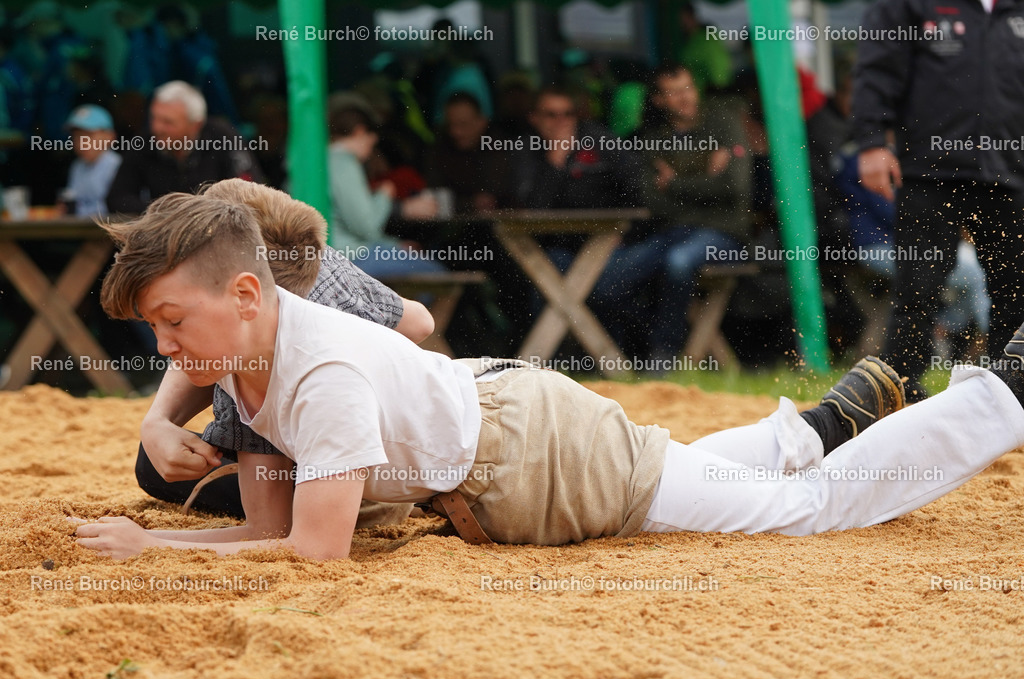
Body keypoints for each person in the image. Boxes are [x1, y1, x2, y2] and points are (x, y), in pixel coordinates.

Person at [73, 191, 1024, 559]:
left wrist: (152, 547)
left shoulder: (317, 373)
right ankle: (803, 431)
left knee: (804, 512)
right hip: (515, 430)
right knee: (675, 470)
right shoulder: (247, 358)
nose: (164, 348)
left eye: (171, 321)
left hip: (537, 457)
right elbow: (263, 530)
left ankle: (999, 396)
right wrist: (168, 534)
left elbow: (313, 554)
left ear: (247, 294)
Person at [127, 179, 433, 526]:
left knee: (155, 465)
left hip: (344, 486)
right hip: (388, 458)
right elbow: (420, 322)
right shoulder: (321, 261)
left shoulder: (257, 328)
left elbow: (270, 531)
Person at [852, 0, 1024, 401]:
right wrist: (872, 140)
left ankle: (1008, 400)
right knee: (917, 293)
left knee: (1016, 296)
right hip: (929, 172)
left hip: (1011, 173)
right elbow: (878, 66)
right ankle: (897, 397)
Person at [640, 63, 752, 362]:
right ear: (658, 100)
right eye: (674, 92)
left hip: (725, 234)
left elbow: (735, 187)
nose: (685, 97)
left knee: (677, 262)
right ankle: (616, 355)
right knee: (614, 276)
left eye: (688, 88)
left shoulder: (723, 123)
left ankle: (663, 355)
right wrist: (706, 177)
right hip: (673, 231)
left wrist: (674, 183)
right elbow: (652, 202)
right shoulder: (654, 137)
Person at [326, 93, 441, 278]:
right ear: (360, 132)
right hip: (349, 256)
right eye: (372, 141)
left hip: (334, 255)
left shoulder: (321, 160)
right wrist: (384, 195)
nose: (371, 150)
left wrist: (394, 245)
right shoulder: (343, 163)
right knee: (436, 273)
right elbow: (367, 226)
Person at [106, 80, 257, 214]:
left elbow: (250, 193)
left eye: (168, 122)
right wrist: (163, 213)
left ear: (195, 125)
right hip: (163, 229)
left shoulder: (223, 137)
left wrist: (205, 213)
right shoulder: (144, 142)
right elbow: (118, 198)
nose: (157, 128)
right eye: (154, 118)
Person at [62, 104, 121, 218]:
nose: (82, 141)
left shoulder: (117, 166)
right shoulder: (77, 166)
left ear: (110, 136)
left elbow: (115, 210)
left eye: (89, 135)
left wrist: (77, 211)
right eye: (77, 136)